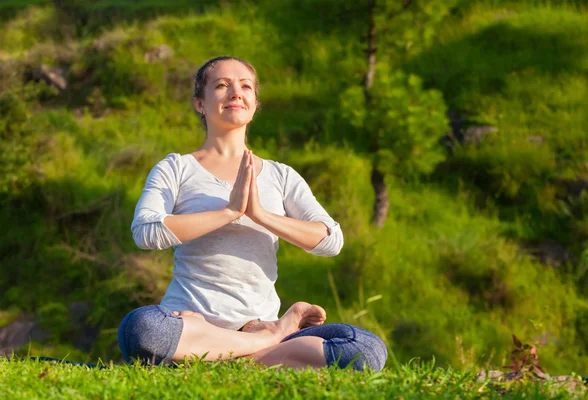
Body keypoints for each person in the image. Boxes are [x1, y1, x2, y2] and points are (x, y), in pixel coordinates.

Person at [117, 56, 387, 371]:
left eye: (245, 86)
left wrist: (261, 215)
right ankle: (264, 345)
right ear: (200, 104)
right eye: (221, 85)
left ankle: (236, 353)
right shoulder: (176, 168)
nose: (235, 92)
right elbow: (146, 231)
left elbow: (331, 239)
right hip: (191, 326)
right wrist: (229, 211)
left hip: (255, 323)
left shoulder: (280, 176)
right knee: (142, 329)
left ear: (255, 103)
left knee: (364, 350)